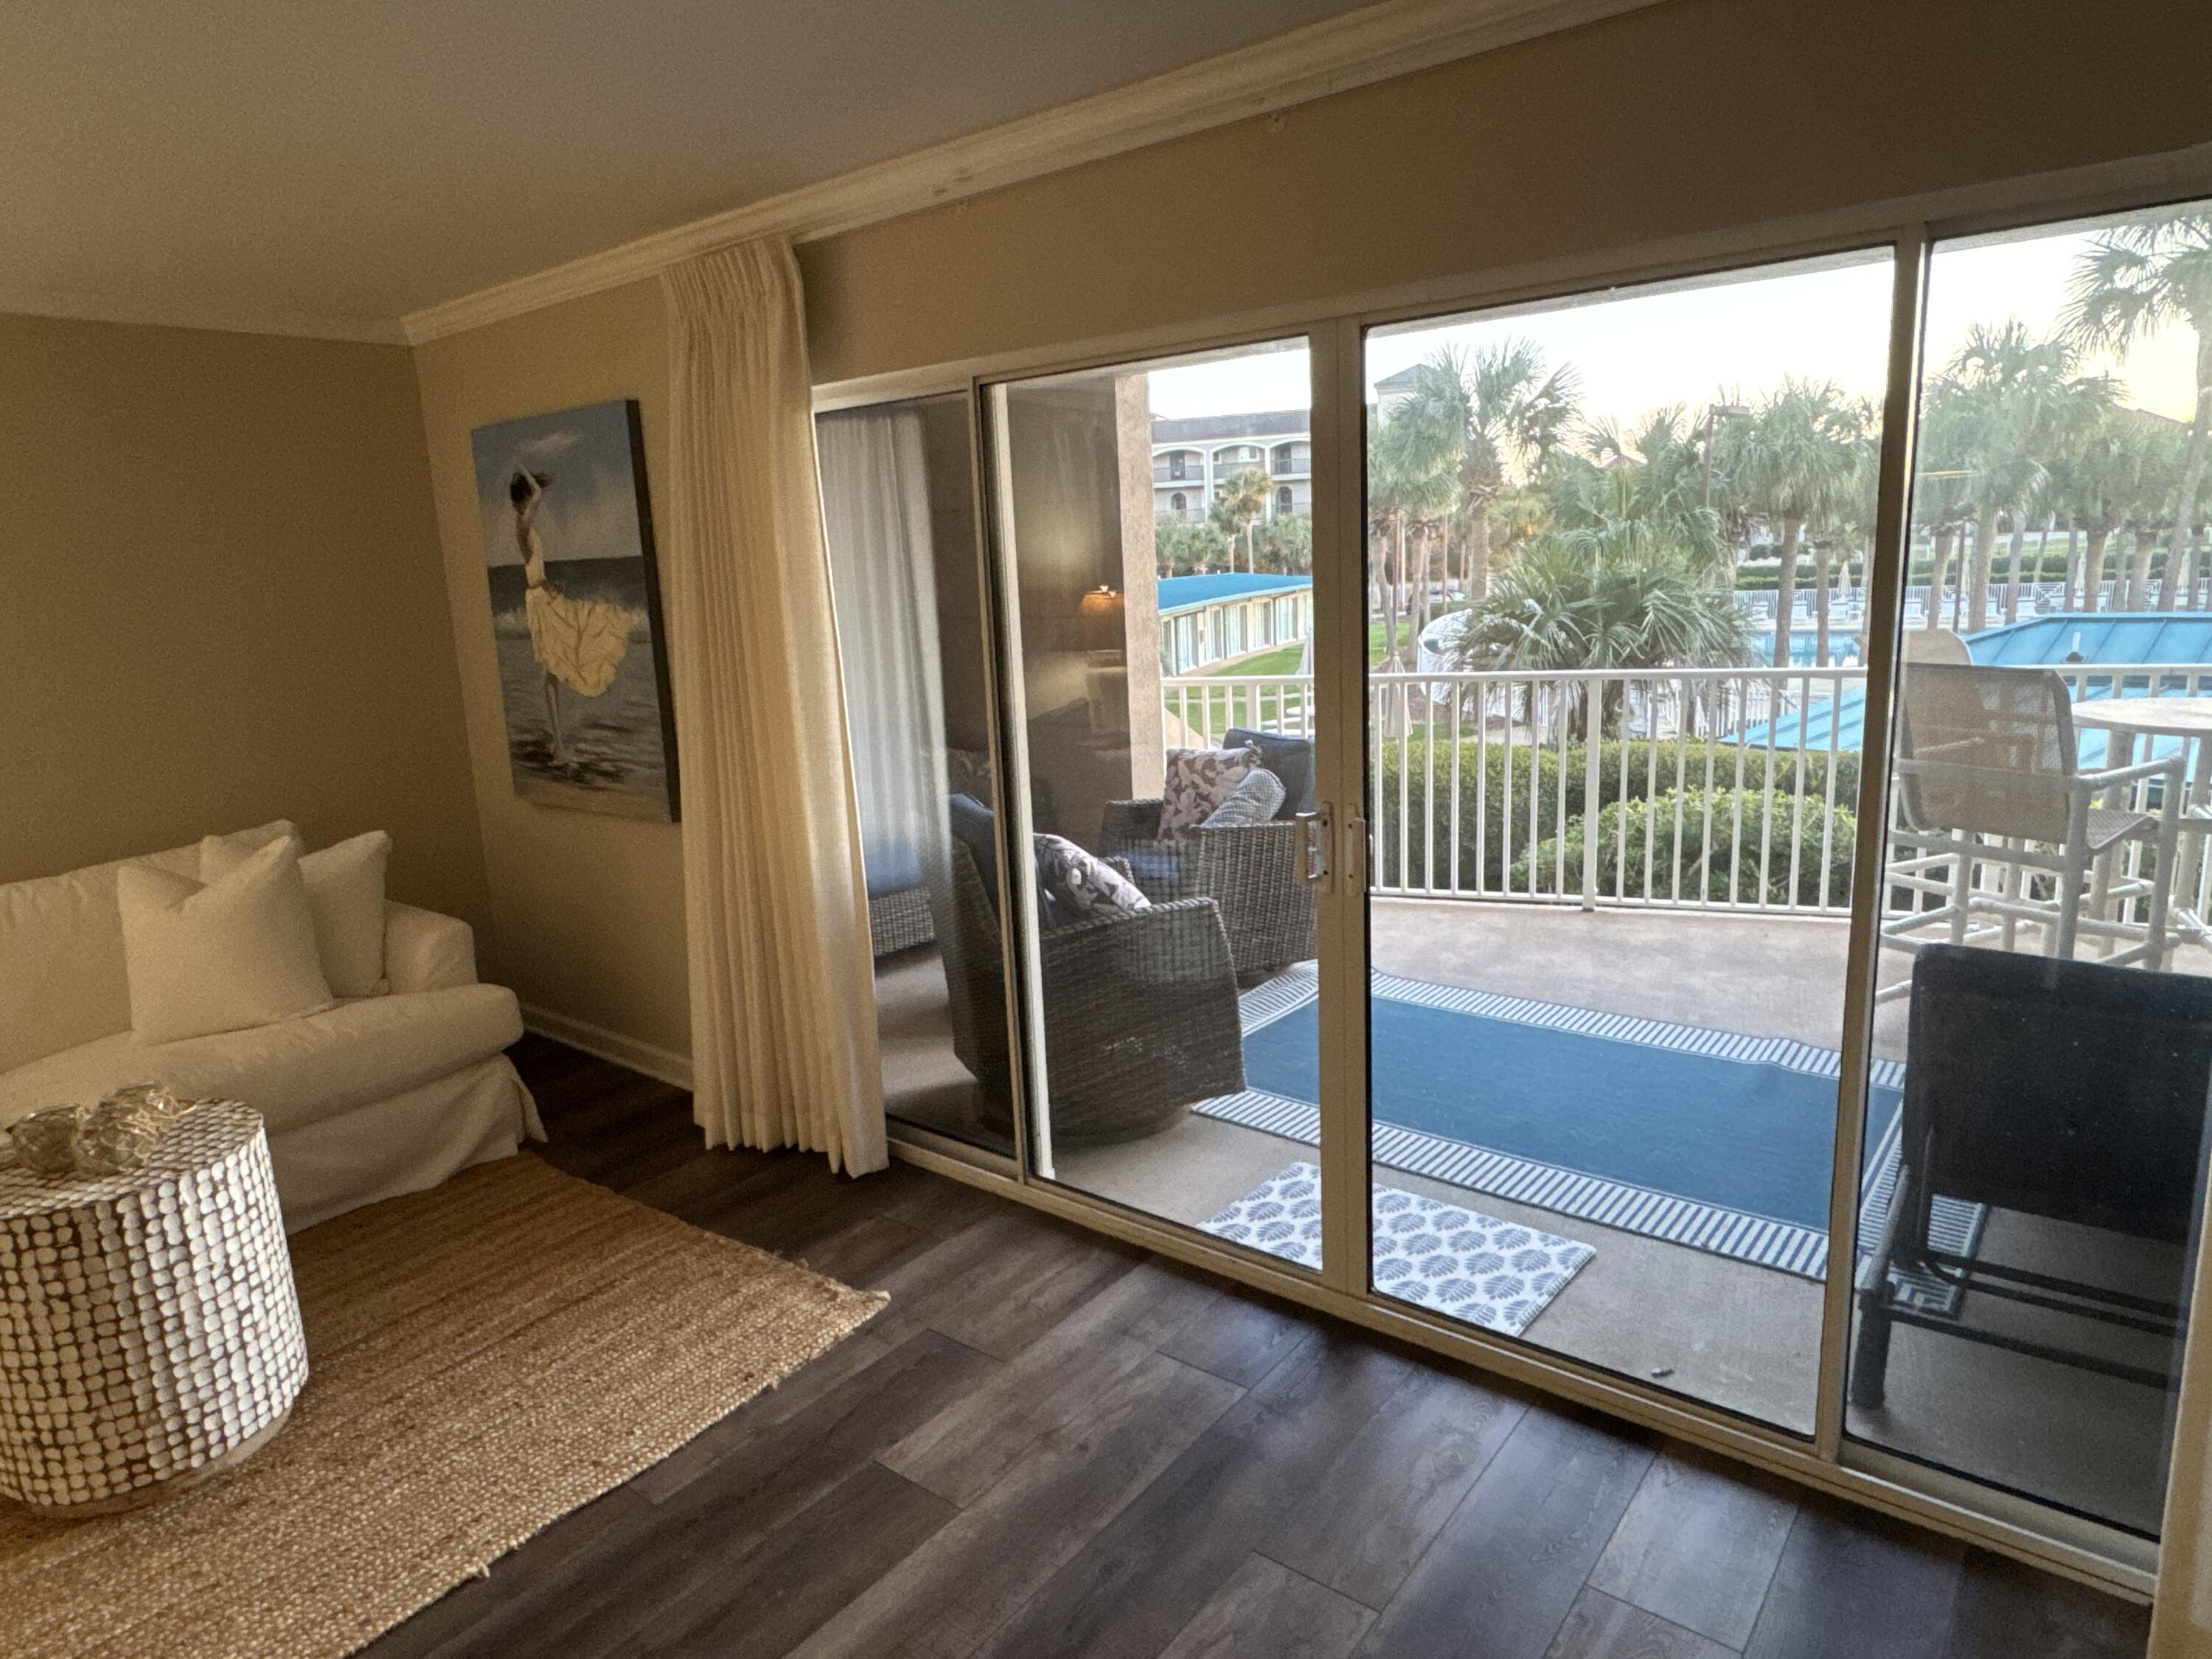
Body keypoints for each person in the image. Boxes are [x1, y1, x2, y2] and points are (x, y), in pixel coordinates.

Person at [508, 469, 632, 758]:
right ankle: (558, 742)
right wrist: (527, 474)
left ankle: (557, 739)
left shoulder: (525, 527)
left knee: (559, 660)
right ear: (520, 502)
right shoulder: (522, 526)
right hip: (539, 603)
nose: (530, 504)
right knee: (554, 665)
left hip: (542, 595)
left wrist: (550, 585)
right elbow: (538, 495)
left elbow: (534, 572)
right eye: (525, 500)